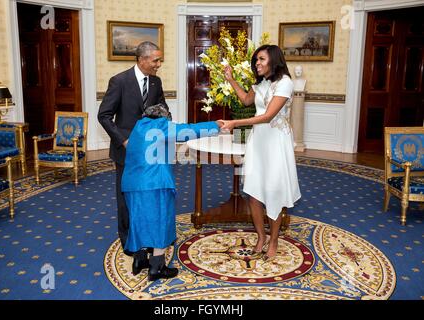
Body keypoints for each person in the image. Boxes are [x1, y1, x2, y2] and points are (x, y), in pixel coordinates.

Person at [219, 44, 301, 261]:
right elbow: (246, 100)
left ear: (274, 60)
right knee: (254, 194)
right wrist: (231, 79)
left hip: (276, 144)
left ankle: (274, 240)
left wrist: (235, 122)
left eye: (261, 59)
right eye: (256, 60)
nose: (257, 63)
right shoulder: (261, 83)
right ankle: (261, 236)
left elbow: (267, 117)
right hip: (258, 143)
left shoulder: (285, 83)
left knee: (273, 191)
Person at [122, 103, 220, 281]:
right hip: (154, 184)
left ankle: (140, 260)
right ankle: (156, 268)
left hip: (130, 184)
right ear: (164, 117)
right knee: (160, 222)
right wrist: (216, 125)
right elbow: (189, 130)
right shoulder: (160, 125)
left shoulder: (137, 128)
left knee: (139, 221)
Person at [97, 41, 167, 267]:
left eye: (159, 60)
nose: (159, 64)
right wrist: (124, 140)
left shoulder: (156, 82)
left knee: (146, 195)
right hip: (126, 151)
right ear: (142, 59)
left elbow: (162, 108)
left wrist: (165, 120)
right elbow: (104, 115)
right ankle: (128, 241)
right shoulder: (119, 81)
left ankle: (146, 238)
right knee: (126, 197)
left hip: (150, 151)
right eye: (156, 60)